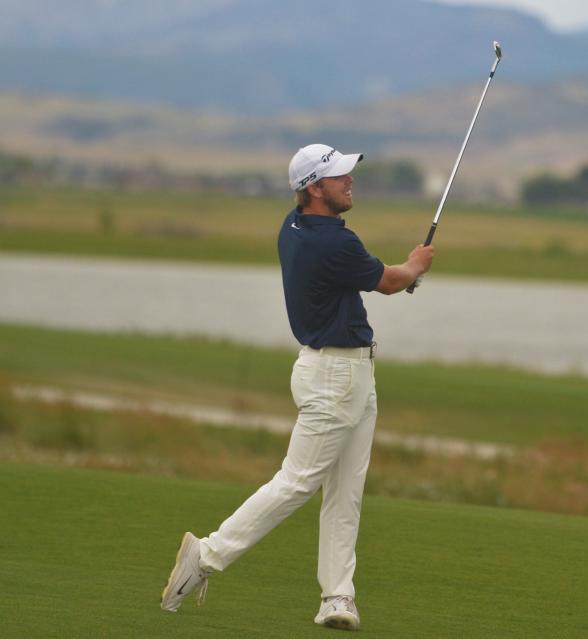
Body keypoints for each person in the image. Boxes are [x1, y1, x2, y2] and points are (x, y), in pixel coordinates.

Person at [160, 144, 434, 630]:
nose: (350, 181)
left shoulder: (294, 227)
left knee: (345, 491)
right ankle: (206, 555)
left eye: (349, 173)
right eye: (339, 177)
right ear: (313, 188)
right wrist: (415, 264)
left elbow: (363, 277)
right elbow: (390, 282)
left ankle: (337, 597)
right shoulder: (333, 243)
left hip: (343, 371)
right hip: (336, 376)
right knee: (297, 482)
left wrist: (395, 273)